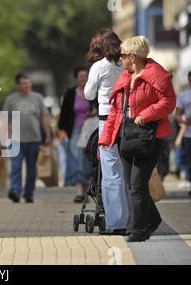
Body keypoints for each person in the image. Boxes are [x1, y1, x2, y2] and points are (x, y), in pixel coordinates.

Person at [99, 36, 176, 242]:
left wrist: (147, 114)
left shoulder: (157, 74)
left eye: (122, 56)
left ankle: (138, 230)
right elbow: (116, 110)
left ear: (133, 57)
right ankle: (153, 219)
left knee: (138, 184)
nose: (120, 60)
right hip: (129, 134)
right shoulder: (125, 76)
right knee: (132, 185)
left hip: (151, 136)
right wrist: (105, 137)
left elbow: (168, 102)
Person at [84, 29, 129, 235]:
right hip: (129, 121)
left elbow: (88, 93)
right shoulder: (127, 64)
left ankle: (118, 222)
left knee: (111, 171)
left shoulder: (99, 67)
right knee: (128, 170)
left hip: (108, 121)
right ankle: (134, 220)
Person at [2, 73, 52, 203]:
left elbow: (44, 118)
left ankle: (29, 193)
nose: (27, 85)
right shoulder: (11, 99)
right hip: (15, 140)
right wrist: (3, 137)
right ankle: (15, 191)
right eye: (24, 83)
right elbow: (5, 119)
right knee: (16, 166)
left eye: (28, 83)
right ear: (18, 86)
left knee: (31, 168)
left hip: (34, 140)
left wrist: (48, 135)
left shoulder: (38, 98)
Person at [58, 67, 97, 203]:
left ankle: (86, 190)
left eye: (85, 76)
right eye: (81, 76)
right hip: (74, 129)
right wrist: (62, 131)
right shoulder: (70, 93)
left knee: (87, 159)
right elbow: (63, 114)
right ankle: (80, 191)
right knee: (76, 158)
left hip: (91, 130)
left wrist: (94, 110)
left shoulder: (94, 92)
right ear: (76, 78)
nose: (83, 79)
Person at [175, 71, 191, 199]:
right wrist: (185, 121)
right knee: (188, 162)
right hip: (188, 135)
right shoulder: (183, 96)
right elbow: (177, 115)